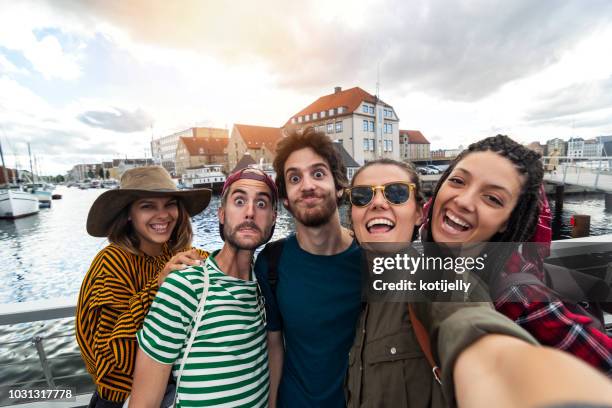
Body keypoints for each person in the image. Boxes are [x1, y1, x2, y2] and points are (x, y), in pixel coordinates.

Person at [346, 158, 612, 407]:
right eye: (362, 196)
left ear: (418, 213)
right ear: (352, 216)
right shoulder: (346, 284)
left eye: (396, 193)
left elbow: (470, 324)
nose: (378, 203)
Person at [422, 134, 612, 374]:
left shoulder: (517, 297)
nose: (464, 201)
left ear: (507, 221)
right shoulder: (430, 249)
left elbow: (602, 361)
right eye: (458, 181)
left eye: (492, 198)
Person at [129, 167, 278, 407]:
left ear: (273, 218)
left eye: (261, 204)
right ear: (221, 214)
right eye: (239, 201)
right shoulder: (184, 287)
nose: (250, 212)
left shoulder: (265, 284)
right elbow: (143, 403)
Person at [76, 166, 211, 407]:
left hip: (174, 389)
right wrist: (158, 287)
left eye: (170, 204)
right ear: (129, 214)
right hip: (123, 397)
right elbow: (109, 359)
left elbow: (214, 264)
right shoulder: (112, 262)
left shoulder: (175, 254)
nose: (163, 215)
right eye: (148, 206)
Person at [255, 126, 361, 407]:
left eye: (318, 173)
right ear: (286, 198)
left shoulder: (371, 257)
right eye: (294, 178)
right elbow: (274, 344)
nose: (307, 185)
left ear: (339, 187)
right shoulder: (271, 263)